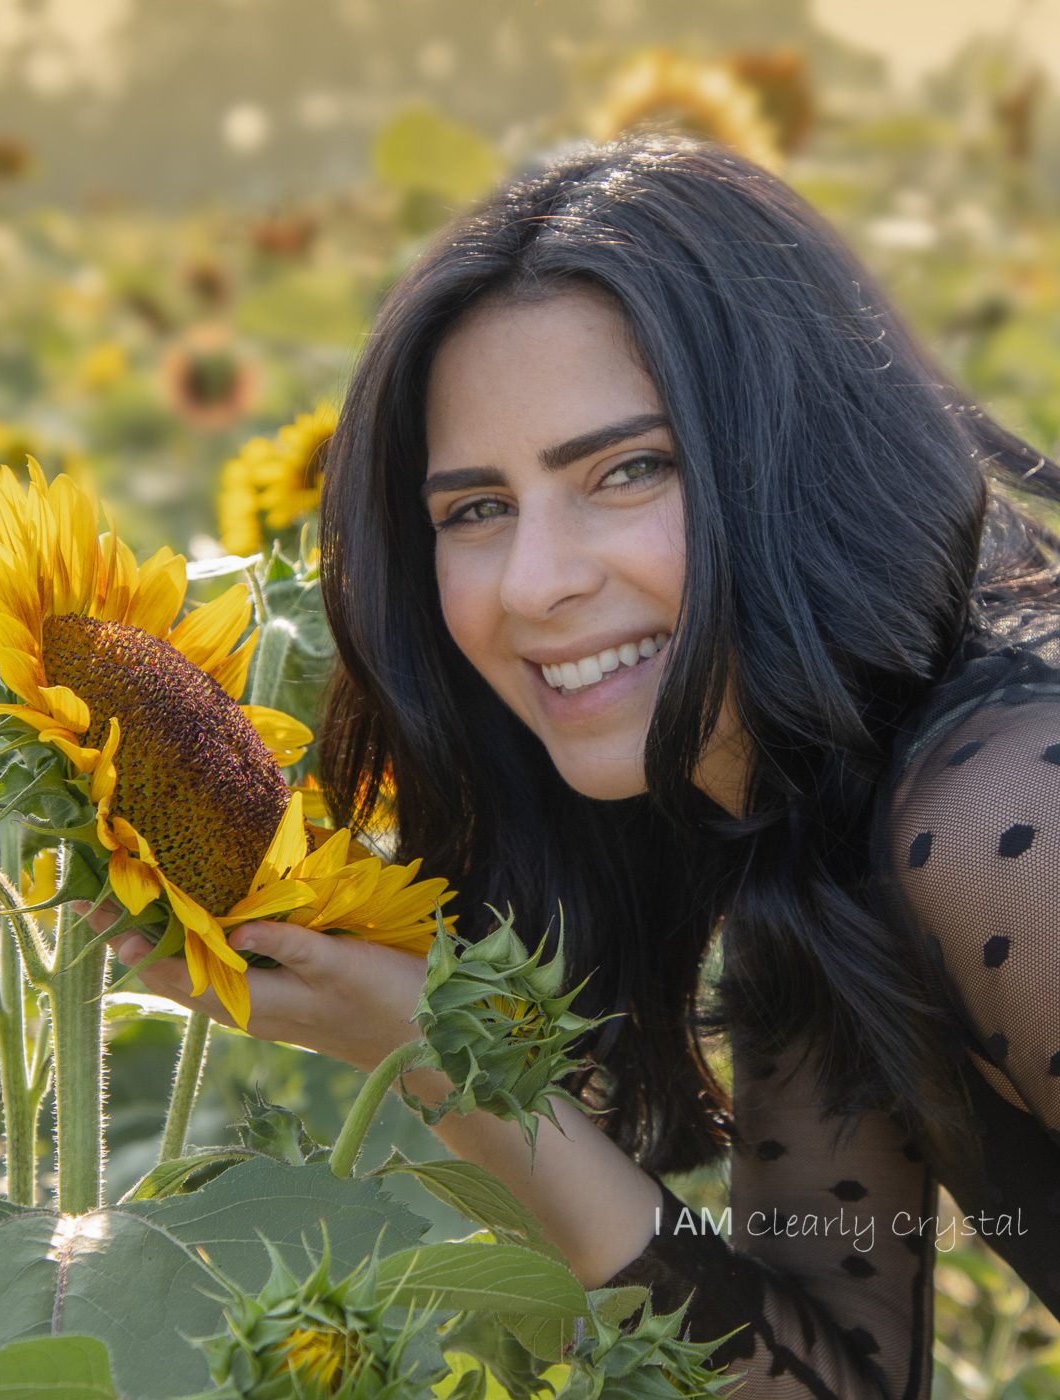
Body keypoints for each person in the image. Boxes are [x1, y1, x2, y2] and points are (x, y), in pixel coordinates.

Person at [105, 136, 1060, 1397]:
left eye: (628, 470)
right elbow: (832, 1380)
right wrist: (447, 1060)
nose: (536, 583)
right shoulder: (812, 833)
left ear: (792, 462)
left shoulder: (1002, 809)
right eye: (475, 509)